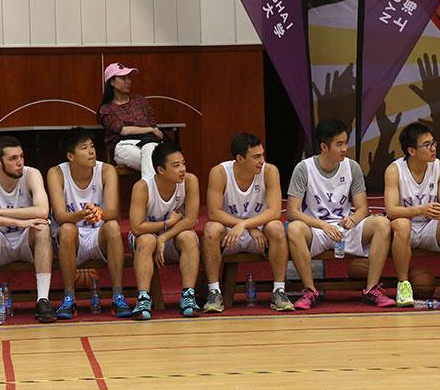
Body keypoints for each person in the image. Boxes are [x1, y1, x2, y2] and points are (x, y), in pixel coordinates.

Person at [285, 118, 394, 310]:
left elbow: (363, 208)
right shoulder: (304, 168)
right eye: (339, 144)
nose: (344, 148)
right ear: (324, 147)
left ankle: (371, 290)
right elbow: (293, 212)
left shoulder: (352, 167)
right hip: (317, 229)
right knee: (294, 228)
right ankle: (310, 291)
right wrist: (322, 225)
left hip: (345, 227)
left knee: (382, 224)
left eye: (345, 143)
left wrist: (353, 219)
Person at [0, 136, 56, 324]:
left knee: (42, 227)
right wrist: (18, 222)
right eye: (13, 159)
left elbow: (42, 211)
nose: (20, 163)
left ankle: (43, 299)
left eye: (21, 157)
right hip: (0, 241)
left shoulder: (32, 174)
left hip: (26, 239)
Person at [201, 133, 294, 313]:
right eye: (256, 157)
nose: (262, 160)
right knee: (211, 229)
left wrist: (246, 225)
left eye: (262, 155)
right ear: (240, 158)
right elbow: (213, 212)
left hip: (259, 235)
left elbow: (275, 211)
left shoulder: (270, 171)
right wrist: (244, 226)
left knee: (276, 227)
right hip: (229, 234)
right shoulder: (219, 172)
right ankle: (213, 292)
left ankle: (279, 291)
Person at [47, 128, 132, 319]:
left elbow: (114, 214)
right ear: (70, 156)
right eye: (84, 148)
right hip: (72, 235)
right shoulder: (56, 173)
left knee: (112, 226)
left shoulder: (107, 170)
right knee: (67, 229)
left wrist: (100, 213)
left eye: (92, 146)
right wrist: (82, 214)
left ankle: (118, 295)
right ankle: (69, 298)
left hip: (98, 234)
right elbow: (60, 216)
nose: (91, 151)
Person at [385, 123, 440, 307]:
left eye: (434, 143)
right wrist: (419, 210)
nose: (433, 149)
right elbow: (391, 211)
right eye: (427, 145)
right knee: (401, 224)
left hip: (430, 227)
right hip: (405, 228)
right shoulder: (394, 170)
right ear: (411, 150)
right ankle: (404, 285)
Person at [128, 141, 201, 319]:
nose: (182, 169)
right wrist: (167, 224)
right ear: (161, 170)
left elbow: (191, 219)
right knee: (147, 239)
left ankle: (188, 295)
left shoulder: (190, 181)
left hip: (172, 236)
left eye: (183, 163)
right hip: (145, 238)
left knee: (188, 237)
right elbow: (137, 227)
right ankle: (143, 298)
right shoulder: (143, 187)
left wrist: (164, 236)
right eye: (176, 165)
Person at [96, 62, 163, 179]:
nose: (128, 81)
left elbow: (154, 125)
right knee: (162, 162)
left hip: (150, 142)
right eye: (123, 78)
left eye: (129, 78)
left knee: (153, 152)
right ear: (111, 82)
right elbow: (123, 130)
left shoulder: (140, 101)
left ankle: (149, 193)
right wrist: (150, 129)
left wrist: (154, 130)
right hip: (125, 145)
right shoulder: (106, 109)